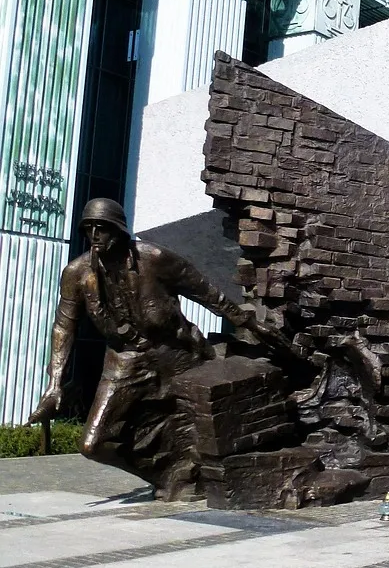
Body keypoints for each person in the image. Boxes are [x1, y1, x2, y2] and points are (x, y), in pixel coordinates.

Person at [27, 198, 289, 499]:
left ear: (119, 229)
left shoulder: (154, 258)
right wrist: (55, 383)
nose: (95, 235)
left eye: (103, 227)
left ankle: (201, 476)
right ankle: (169, 474)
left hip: (177, 353)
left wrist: (248, 322)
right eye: (90, 228)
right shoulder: (77, 274)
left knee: (199, 423)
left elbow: (207, 292)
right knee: (93, 444)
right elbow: (63, 327)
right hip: (125, 360)